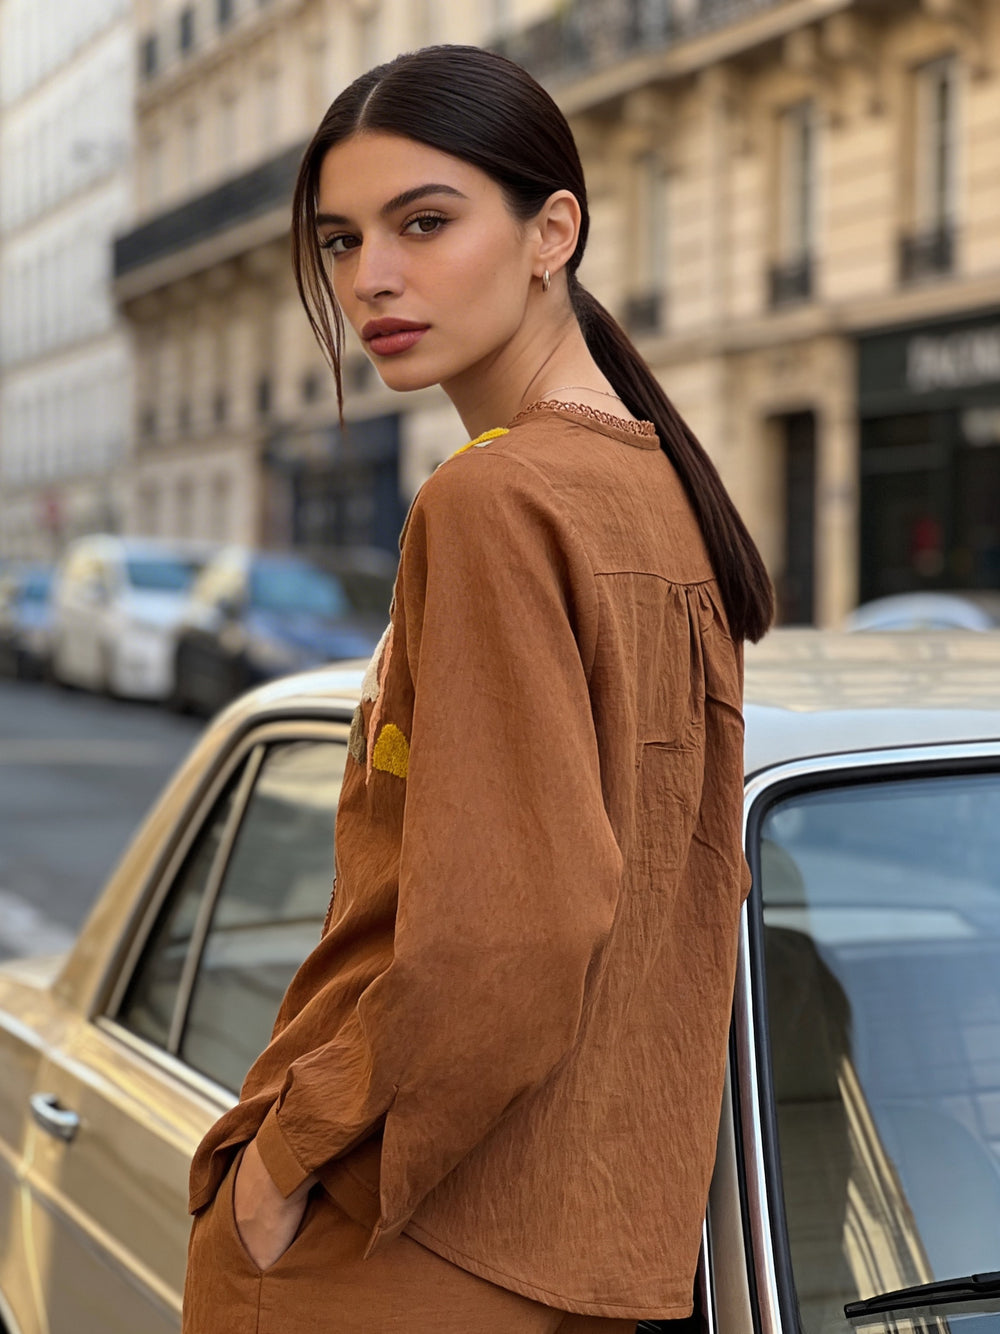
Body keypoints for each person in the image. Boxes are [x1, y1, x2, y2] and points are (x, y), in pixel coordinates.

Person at [182, 43, 773, 1334]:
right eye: (341, 240)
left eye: (426, 221)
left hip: (414, 1235)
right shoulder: (658, 488)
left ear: (552, 229)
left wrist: (287, 1161)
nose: (371, 278)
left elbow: (514, 927)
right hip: (596, 1231)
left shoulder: (495, 497)